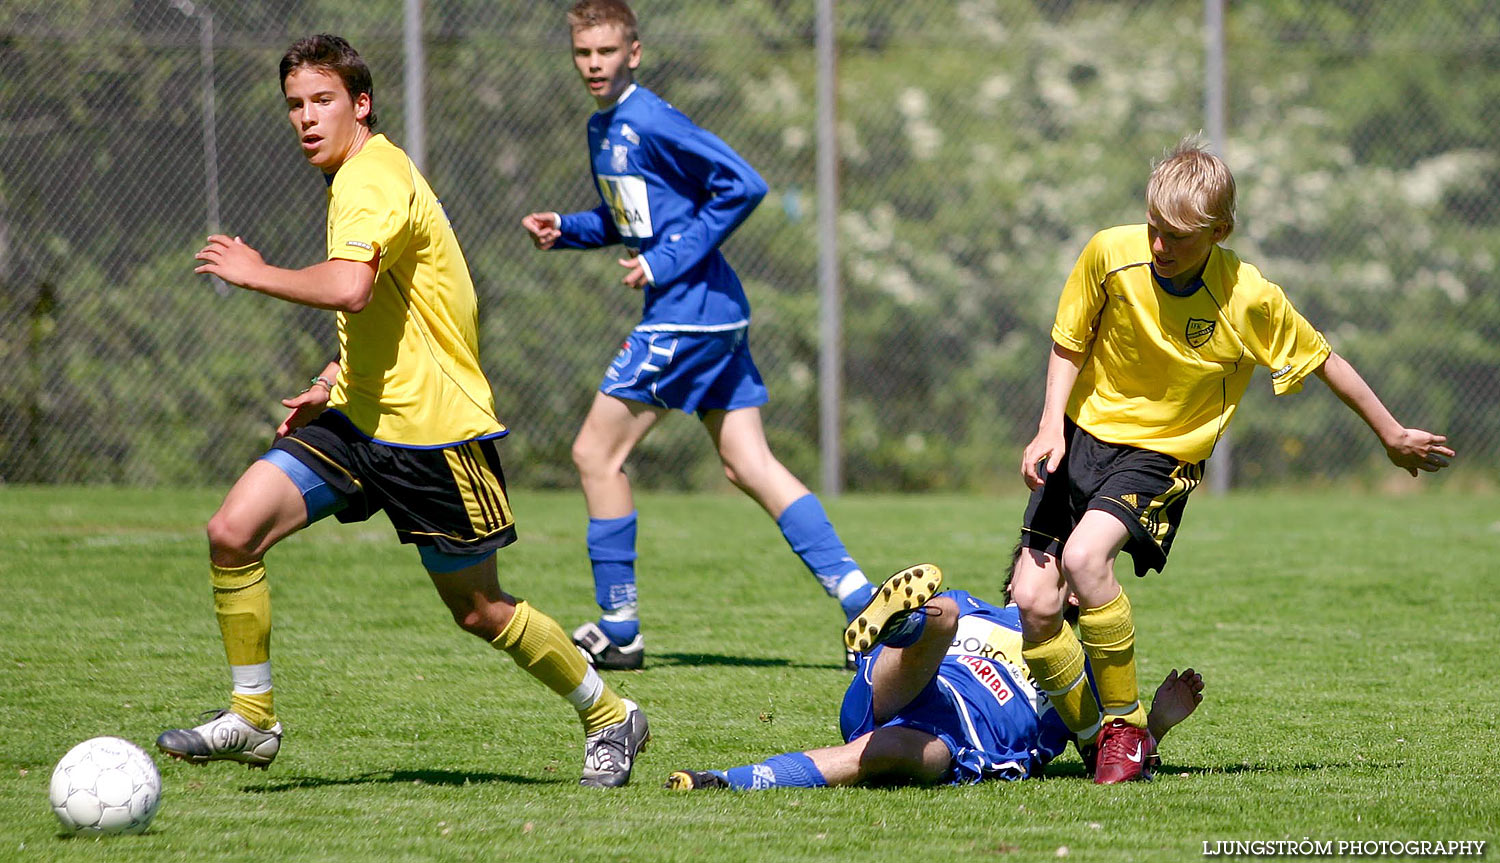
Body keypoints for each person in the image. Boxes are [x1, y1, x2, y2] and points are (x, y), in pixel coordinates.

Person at [158, 34, 649, 788]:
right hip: (358, 418)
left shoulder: (372, 175)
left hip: (435, 435)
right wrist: (334, 373)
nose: (305, 118)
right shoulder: (356, 175)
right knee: (232, 531)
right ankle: (252, 717)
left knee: (480, 609)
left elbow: (352, 286)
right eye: (294, 104)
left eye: (322, 101)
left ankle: (610, 713)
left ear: (362, 104)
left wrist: (256, 274)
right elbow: (390, 305)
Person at [1009, 137, 1455, 785]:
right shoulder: (1110, 252)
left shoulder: (1248, 297)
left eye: (1180, 237)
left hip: (1163, 455)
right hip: (1081, 438)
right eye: (1155, 228)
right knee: (1033, 602)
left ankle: (1126, 728)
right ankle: (1106, 744)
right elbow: (1068, 341)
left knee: (1084, 559)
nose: (1161, 246)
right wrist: (1049, 425)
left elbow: (1325, 360)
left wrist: (1390, 433)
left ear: (1220, 231)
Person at [521, 0, 875, 671]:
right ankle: (860, 596)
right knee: (748, 463)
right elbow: (635, 219)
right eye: (583, 53)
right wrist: (568, 229)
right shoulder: (606, 127)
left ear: (635, 52)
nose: (594, 64)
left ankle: (620, 625)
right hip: (709, 312)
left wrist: (667, 261)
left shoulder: (649, 117)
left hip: (688, 312)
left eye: (606, 51)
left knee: (595, 454)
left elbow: (745, 185)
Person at [666, 564, 1204, 790]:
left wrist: (1157, 722)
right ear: (1015, 578)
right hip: (908, 683)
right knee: (944, 611)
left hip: (957, 741)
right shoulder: (976, 608)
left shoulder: (1077, 665)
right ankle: (903, 621)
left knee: (886, 751)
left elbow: (1107, 754)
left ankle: (726, 779)